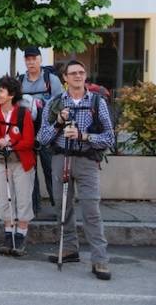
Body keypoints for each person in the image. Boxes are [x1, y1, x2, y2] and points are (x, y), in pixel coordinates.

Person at [38, 60, 114, 281]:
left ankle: (100, 259)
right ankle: (69, 249)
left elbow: (109, 138)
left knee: (91, 210)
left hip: (87, 161)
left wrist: (83, 136)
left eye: (81, 72)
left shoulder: (97, 102)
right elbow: (42, 138)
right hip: (60, 158)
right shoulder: (54, 103)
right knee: (63, 208)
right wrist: (59, 123)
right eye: (73, 73)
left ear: (85, 76)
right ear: (65, 78)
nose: (78, 76)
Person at [0, 76, 36, 256]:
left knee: (22, 198)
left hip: (21, 162)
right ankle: (8, 233)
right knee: (5, 198)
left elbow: (28, 141)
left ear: (11, 94)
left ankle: (21, 235)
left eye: (1, 91)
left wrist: (9, 144)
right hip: (1, 162)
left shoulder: (23, 114)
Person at [18, 46, 64, 212]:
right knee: (29, 171)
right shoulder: (20, 80)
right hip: (27, 130)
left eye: (34, 59)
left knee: (50, 169)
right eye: (28, 59)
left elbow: (60, 103)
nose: (31, 62)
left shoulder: (51, 79)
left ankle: (58, 205)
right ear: (25, 61)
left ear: (40, 60)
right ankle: (34, 207)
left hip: (47, 130)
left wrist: (42, 105)